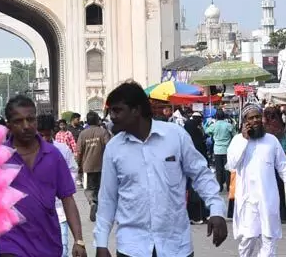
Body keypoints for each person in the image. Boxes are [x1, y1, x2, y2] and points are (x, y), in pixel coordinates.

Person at [94, 82, 227, 257]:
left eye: (117, 110)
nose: (112, 117)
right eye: (110, 111)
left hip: (176, 246)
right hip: (132, 248)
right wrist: (101, 243)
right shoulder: (113, 149)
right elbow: (107, 199)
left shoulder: (175, 136)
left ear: (136, 110)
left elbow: (201, 175)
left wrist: (217, 210)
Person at [0, 97, 84, 257]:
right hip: (11, 244)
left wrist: (79, 240)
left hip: (48, 244)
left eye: (30, 119)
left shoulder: (53, 155)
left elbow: (68, 199)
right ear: (8, 125)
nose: (26, 126)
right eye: (18, 121)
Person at [226, 104, 286, 257]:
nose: (256, 120)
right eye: (251, 118)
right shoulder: (237, 141)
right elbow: (232, 164)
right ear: (244, 121)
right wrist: (244, 140)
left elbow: (284, 167)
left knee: (269, 239)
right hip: (247, 201)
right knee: (248, 239)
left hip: (268, 200)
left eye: (258, 116)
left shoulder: (271, 141)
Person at [36, 113, 82, 257]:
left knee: (62, 249)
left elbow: (73, 170)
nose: (44, 139)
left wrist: (64, 185)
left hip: (59, 211)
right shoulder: (28, 153)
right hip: (36, 215)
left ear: (52, 132)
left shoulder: (61, 150)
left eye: (47, 135)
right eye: (40, 135)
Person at [74, 111, 110, 222]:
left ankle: (92, 202)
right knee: (100, 188)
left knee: (89, 188)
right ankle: (100, 209)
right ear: (97, 120)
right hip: (102, 166)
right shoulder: (103, 132)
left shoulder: (83, 134)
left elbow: (79, 152)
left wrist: (79, 166)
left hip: (88, 166)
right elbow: (110, 148)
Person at [206, 112, 236, 192]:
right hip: (227, 150)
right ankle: (229, 187)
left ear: (216, 117)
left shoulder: (214, 125)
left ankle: (220, 187)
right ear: (224, 117)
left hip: (217, 150)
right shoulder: (228, 125)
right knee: (227, 168)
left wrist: (213, 134)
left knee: (219, 169)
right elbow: (234, 135)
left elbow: (206, 131)